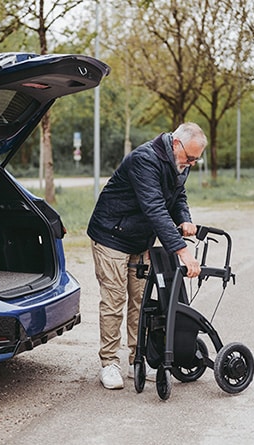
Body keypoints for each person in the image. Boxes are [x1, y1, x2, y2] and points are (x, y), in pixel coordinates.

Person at [87, 122, 207, 389]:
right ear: (176, 144)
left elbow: (178, 197)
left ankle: (136, 359)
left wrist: (185, 219)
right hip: (111, 235)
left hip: (139, 240)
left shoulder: (180, 163)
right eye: (190, 157)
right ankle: (109, 364)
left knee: (140, 303)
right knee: (114, 301)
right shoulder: (144, 159)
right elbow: (154, 208)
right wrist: (183, 252)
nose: (191, 164)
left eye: (196, 160)